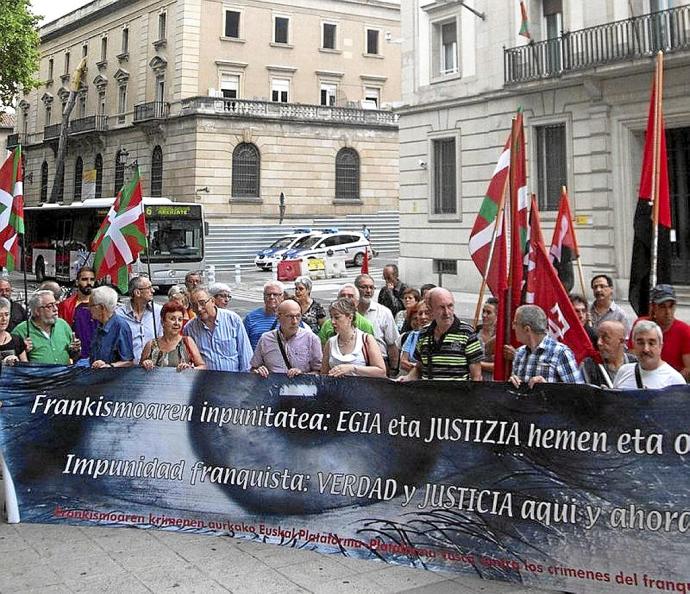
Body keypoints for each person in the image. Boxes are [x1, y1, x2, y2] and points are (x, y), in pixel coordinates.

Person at [400, 288, 483, 382]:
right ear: (430, 308)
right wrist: (407, 378)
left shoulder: (467, 332)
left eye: (450, 306)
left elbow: (476, 376)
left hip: (458, 395)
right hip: (429, 394)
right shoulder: (424, 333)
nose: (447, 312)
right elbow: (419, 367)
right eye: (441, 307)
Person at [510, 304, 583, 388]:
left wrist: (548, 388)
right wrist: (511, 385)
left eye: (515, 323)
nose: (513, 327)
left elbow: (579, 394)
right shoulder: (519, 353)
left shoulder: (561, 353)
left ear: (527, 329)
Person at [183, 286, 252, 372]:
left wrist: (244, 381)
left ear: (212, 301)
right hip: (205, 381)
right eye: (194, 305)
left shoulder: (233, 320)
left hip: (232, 380)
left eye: (202, 303)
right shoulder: (189, 329)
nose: (199, 308)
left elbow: (245, 355)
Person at [251, 299, 322, 378]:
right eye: (290, 316)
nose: (294, 321)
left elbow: (319, 372)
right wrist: (258, 371)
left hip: (301, 388)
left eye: (298, 316)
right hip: (274, 387)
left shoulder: (311, 339)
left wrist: (302, 375)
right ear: (278, 317)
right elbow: (254, 368)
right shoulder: (266, 339)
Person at [321, 298, 386, 378]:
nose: (333, 322)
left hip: (362, 389)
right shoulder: (330, 342)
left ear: (350, 317)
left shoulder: (366, 340)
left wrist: (352, 368)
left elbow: (381, 371)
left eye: (337, 317)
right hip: (336, 389)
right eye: (331, 317)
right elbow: (323, 375)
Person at [12, 290, 80, 364]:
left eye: (56, 304)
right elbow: (10, 361)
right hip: (37, 375)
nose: (56, 309)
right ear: (37, 311)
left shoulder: (62, 325)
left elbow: (74, 356)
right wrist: (22, 351)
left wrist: (75, 350)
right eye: (50, 306)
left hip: (65, 374)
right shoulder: (20, 331)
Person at [613, 320, 685, 389]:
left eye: (651, 343)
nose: (646, 349)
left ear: (660, 346)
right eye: (641, 343)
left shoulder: (675, 380)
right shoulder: (624, 372)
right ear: (634, 345)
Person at [140, 301, 205, 371]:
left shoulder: (187, 342)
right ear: (162, 321)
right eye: (172, 319)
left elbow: (202, 366)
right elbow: (138, 371)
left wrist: (190, 369)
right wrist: (145, 363)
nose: (177, 323)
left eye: (180, 319)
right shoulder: (150, 345)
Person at [355, 274, 400, 375]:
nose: (368, 291)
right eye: (364, 287)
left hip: (379, 364)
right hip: (355, 365)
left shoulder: (384, 312)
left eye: (371, 287)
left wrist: (393, 369)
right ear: (356, 289)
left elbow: (392, 344)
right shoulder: (349, 313)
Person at [646, 284, 690, 380]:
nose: (668, 312)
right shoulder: (642, 326)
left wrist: (668, 381)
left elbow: (688, 368)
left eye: (671, 306)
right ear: (653, 307)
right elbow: (633, 357)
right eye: (662, 307)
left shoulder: (684, 330)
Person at [116, 275, 163, 364]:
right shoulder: (119, 315)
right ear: (137, 293)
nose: (152, 291)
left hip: (153, 368)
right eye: (149, 288)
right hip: (127, 368)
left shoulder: (158, 311)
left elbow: (163, 339)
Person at [88, 285, 135, 369]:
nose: (88, 308)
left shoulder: (120, 327)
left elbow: (128, 361)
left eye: (91, 305)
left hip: (113, 379)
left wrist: (108, 366)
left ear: (101, 307)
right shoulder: (99, 325)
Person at [581, 321, 636, 388]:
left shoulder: (635, 364)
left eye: (605, 338)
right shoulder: (589, 366)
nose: (599, 343)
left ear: (621, 341)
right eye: (598, 337)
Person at [244, 280, 286, 349]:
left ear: (282, 297)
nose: (271, 297)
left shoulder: (289, 316)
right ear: (264, 296)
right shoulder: (251, 318)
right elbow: (243, 344)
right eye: (268, 294)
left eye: (275, 294)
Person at [399, 300, 431, 373]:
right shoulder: (412, 336)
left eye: (427, 313)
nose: (423, 317)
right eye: (420, 314)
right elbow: (403, 362)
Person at [0, 297, 27, 365]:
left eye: (6, 314)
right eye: (0, 315)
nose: (4, 319)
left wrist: (18, 363)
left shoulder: (17, 340)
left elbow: (26, 367)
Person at [477, 297, 498, 381]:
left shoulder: (501, 337)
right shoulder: (475, 332)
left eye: (488, 312)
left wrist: (478, 364)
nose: (484, 315)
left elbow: (498, 366)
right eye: (483, 311)